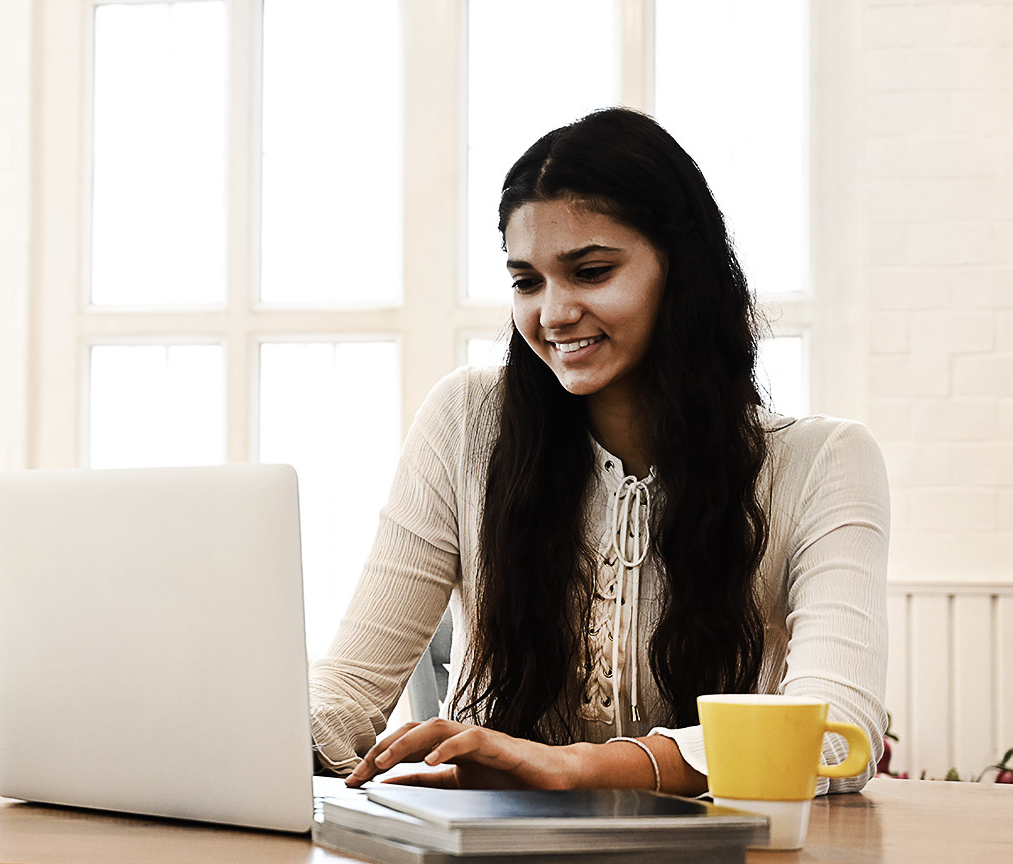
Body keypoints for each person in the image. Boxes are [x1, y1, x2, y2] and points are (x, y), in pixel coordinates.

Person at [310, 107, 888, 796]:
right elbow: (349, 687)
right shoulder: (466, 421)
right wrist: (256, 740)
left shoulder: (825, 463)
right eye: (527, 281)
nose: (551, 313)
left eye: (589, 271)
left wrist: (573, 766)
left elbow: (832, 735)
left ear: (681, 272)